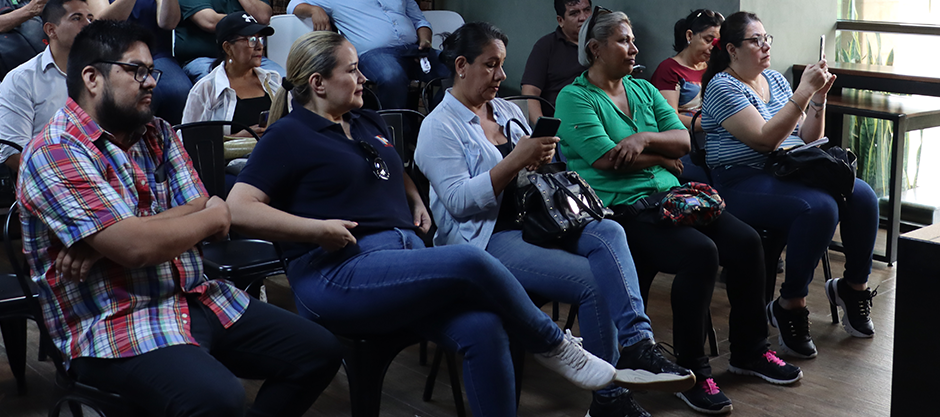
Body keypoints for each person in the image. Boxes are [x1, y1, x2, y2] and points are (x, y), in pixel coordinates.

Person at [227, 31, 650, 417]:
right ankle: (555, 345)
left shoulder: (365, 121)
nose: (363, 78)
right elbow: (239, 208)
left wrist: (412, 196)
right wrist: (314, 230)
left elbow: (388, 168)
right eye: (352, 70)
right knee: (469, 260)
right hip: (339, 269)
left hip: (401, 257)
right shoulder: (290, 135)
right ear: (318, 83)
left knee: (485, 329)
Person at [17, 20, 341, 416]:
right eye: (137, 71)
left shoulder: (158, 132)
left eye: (151, 71)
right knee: (217, 398)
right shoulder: (56, 149)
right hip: (115, 322)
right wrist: (138, 235)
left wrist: (113, 240)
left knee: (320, 352)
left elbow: (203, 206)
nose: (151, 81)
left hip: (196, 296)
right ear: (92, 77)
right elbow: (143, 245)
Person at [415, 22, 696, 417]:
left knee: (609, 229)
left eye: (503, 65)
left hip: (537, 221)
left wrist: (540, 158)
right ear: (461, 65)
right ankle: (609, 400)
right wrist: (518, 159)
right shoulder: (438, 127)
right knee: (593, 281)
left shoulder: (508, 111)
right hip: (485, 237)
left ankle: (638, 344)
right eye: (491, 65)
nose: (502, 76)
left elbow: (533, 177)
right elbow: (461, 203)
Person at [555, 8, 800, 414]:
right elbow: (604, 160)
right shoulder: (575, 96)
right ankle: (692, 370)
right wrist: (659, 157)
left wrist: (646, 139)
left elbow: (683, 142)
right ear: (595, 49)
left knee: (746, 242)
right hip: (622, 211)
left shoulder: (643, 90)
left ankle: (750, 352)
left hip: (674, 199)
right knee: (699, 254)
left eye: (633, 39)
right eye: (623, 40)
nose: (634, 48)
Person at [699, 11, 881, 357]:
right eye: (755, 41)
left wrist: (818, 98)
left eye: (767, 39)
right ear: (732, 50)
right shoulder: (723, 86)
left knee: (863, 196)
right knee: (819, 208)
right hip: (742, 178)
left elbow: (810, 137)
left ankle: (852, 288)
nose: (765, 46)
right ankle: (790, 304)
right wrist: (803, 93)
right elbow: (765, 141)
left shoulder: (776, 81)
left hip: (789, 169)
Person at [286, 0, 446, 110]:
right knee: (392, 76)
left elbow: (420, 21)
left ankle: (435, 121)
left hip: (414, 51)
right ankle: (397, 131)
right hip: (375, 54)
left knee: (457, 67)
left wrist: (425, 41)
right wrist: (314, 10)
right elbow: (293, 4)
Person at [0, 0, 93, 171]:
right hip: (49, 177)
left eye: (90, 18)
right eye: (77, 18)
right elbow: (14, 153)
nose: (88, 25)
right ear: (51, 30)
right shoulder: (21, 80)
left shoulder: (104, 73)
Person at [651, 9, 724, 183]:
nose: (713, 47)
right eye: (708, 40)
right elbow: (670, 117)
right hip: (685, 149)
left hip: (711, 143)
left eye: (717, 42)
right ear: (690, 35)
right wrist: (712, 124)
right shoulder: (669, 69)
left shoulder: (711, 69)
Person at [182, 11, 281, 136]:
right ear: (228, 48)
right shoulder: (206, 89)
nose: (259, 46)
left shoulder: (273, 80)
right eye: (252, 40)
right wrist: (236, 139)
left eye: (261, 39)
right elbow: (188, 141)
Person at [520, 0, 592, 123]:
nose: (583, 18)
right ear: (560, 20)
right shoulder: (545, 47)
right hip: (562, 124)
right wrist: (545, 130)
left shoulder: (602, 43)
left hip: (598, 118)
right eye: (574, 13)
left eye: (587, 10)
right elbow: (530, 95)